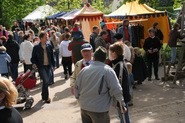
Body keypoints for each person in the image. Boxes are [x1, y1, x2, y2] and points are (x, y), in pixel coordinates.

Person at [74, 46, 126, 123]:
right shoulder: (108, 70)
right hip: (99, 108)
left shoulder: (84, 70)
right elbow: (116, 89)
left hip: (84, 107)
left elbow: (76, 87)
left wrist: (78, 98)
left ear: (94, 57)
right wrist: (122, 104)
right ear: (105, 59)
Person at [31, 31, 55, 103]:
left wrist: (53, 65)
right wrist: (34, 63)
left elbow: (52, 57)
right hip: (41, 66)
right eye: (45, 37)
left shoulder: (49, 46)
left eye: (47, 37)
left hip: (48, 66)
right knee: (46, 80)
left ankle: (43, 95)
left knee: (46, 81)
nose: (47, 38)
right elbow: (33, 58)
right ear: (41, 38)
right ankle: (46, 97)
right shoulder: (36, 47)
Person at [109, 42, 131, 123]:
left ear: (114, 53)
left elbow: (120, 83)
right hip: (122, 95)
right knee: (122, 116)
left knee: (124, 117)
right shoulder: (119, 63)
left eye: (110, 52)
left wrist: (119, 98)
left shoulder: (119, 65)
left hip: (121, 96)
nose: (110, 54)